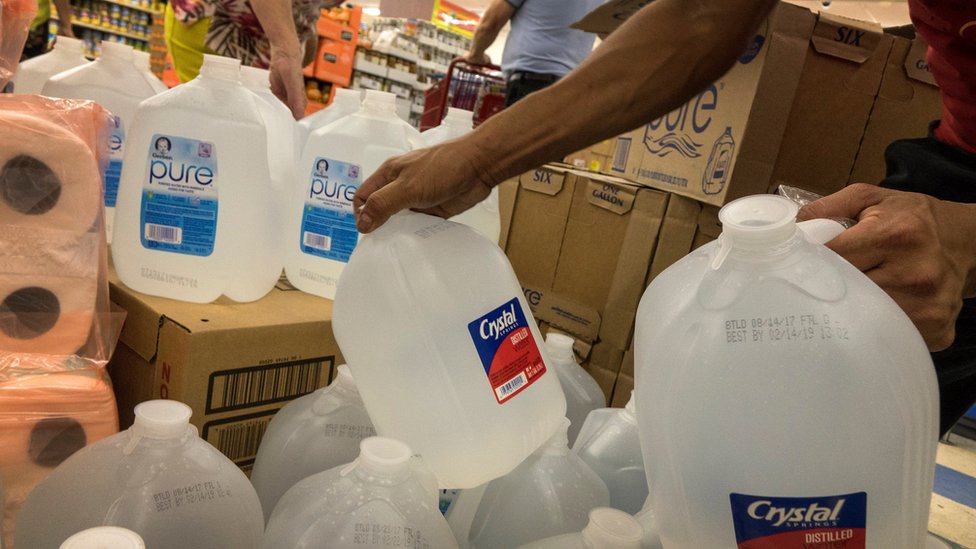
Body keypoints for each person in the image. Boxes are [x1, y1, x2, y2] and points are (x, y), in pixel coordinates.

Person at [354, 0, 976, 436]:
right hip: (955, 163)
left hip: (957, 214)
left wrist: (966, 235)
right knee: (837, 449)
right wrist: (481, 157)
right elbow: (701, 17)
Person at [164, 0, 340, 118]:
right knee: (213, 135)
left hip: (265, 39)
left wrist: (303, 36)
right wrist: (286, 48)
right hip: (219, 26)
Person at [460, 0, 603, 106]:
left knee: (517, 144)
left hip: (531, 85)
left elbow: (490, 24)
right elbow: (612, 34)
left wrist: (475, 55)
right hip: (572, 92)